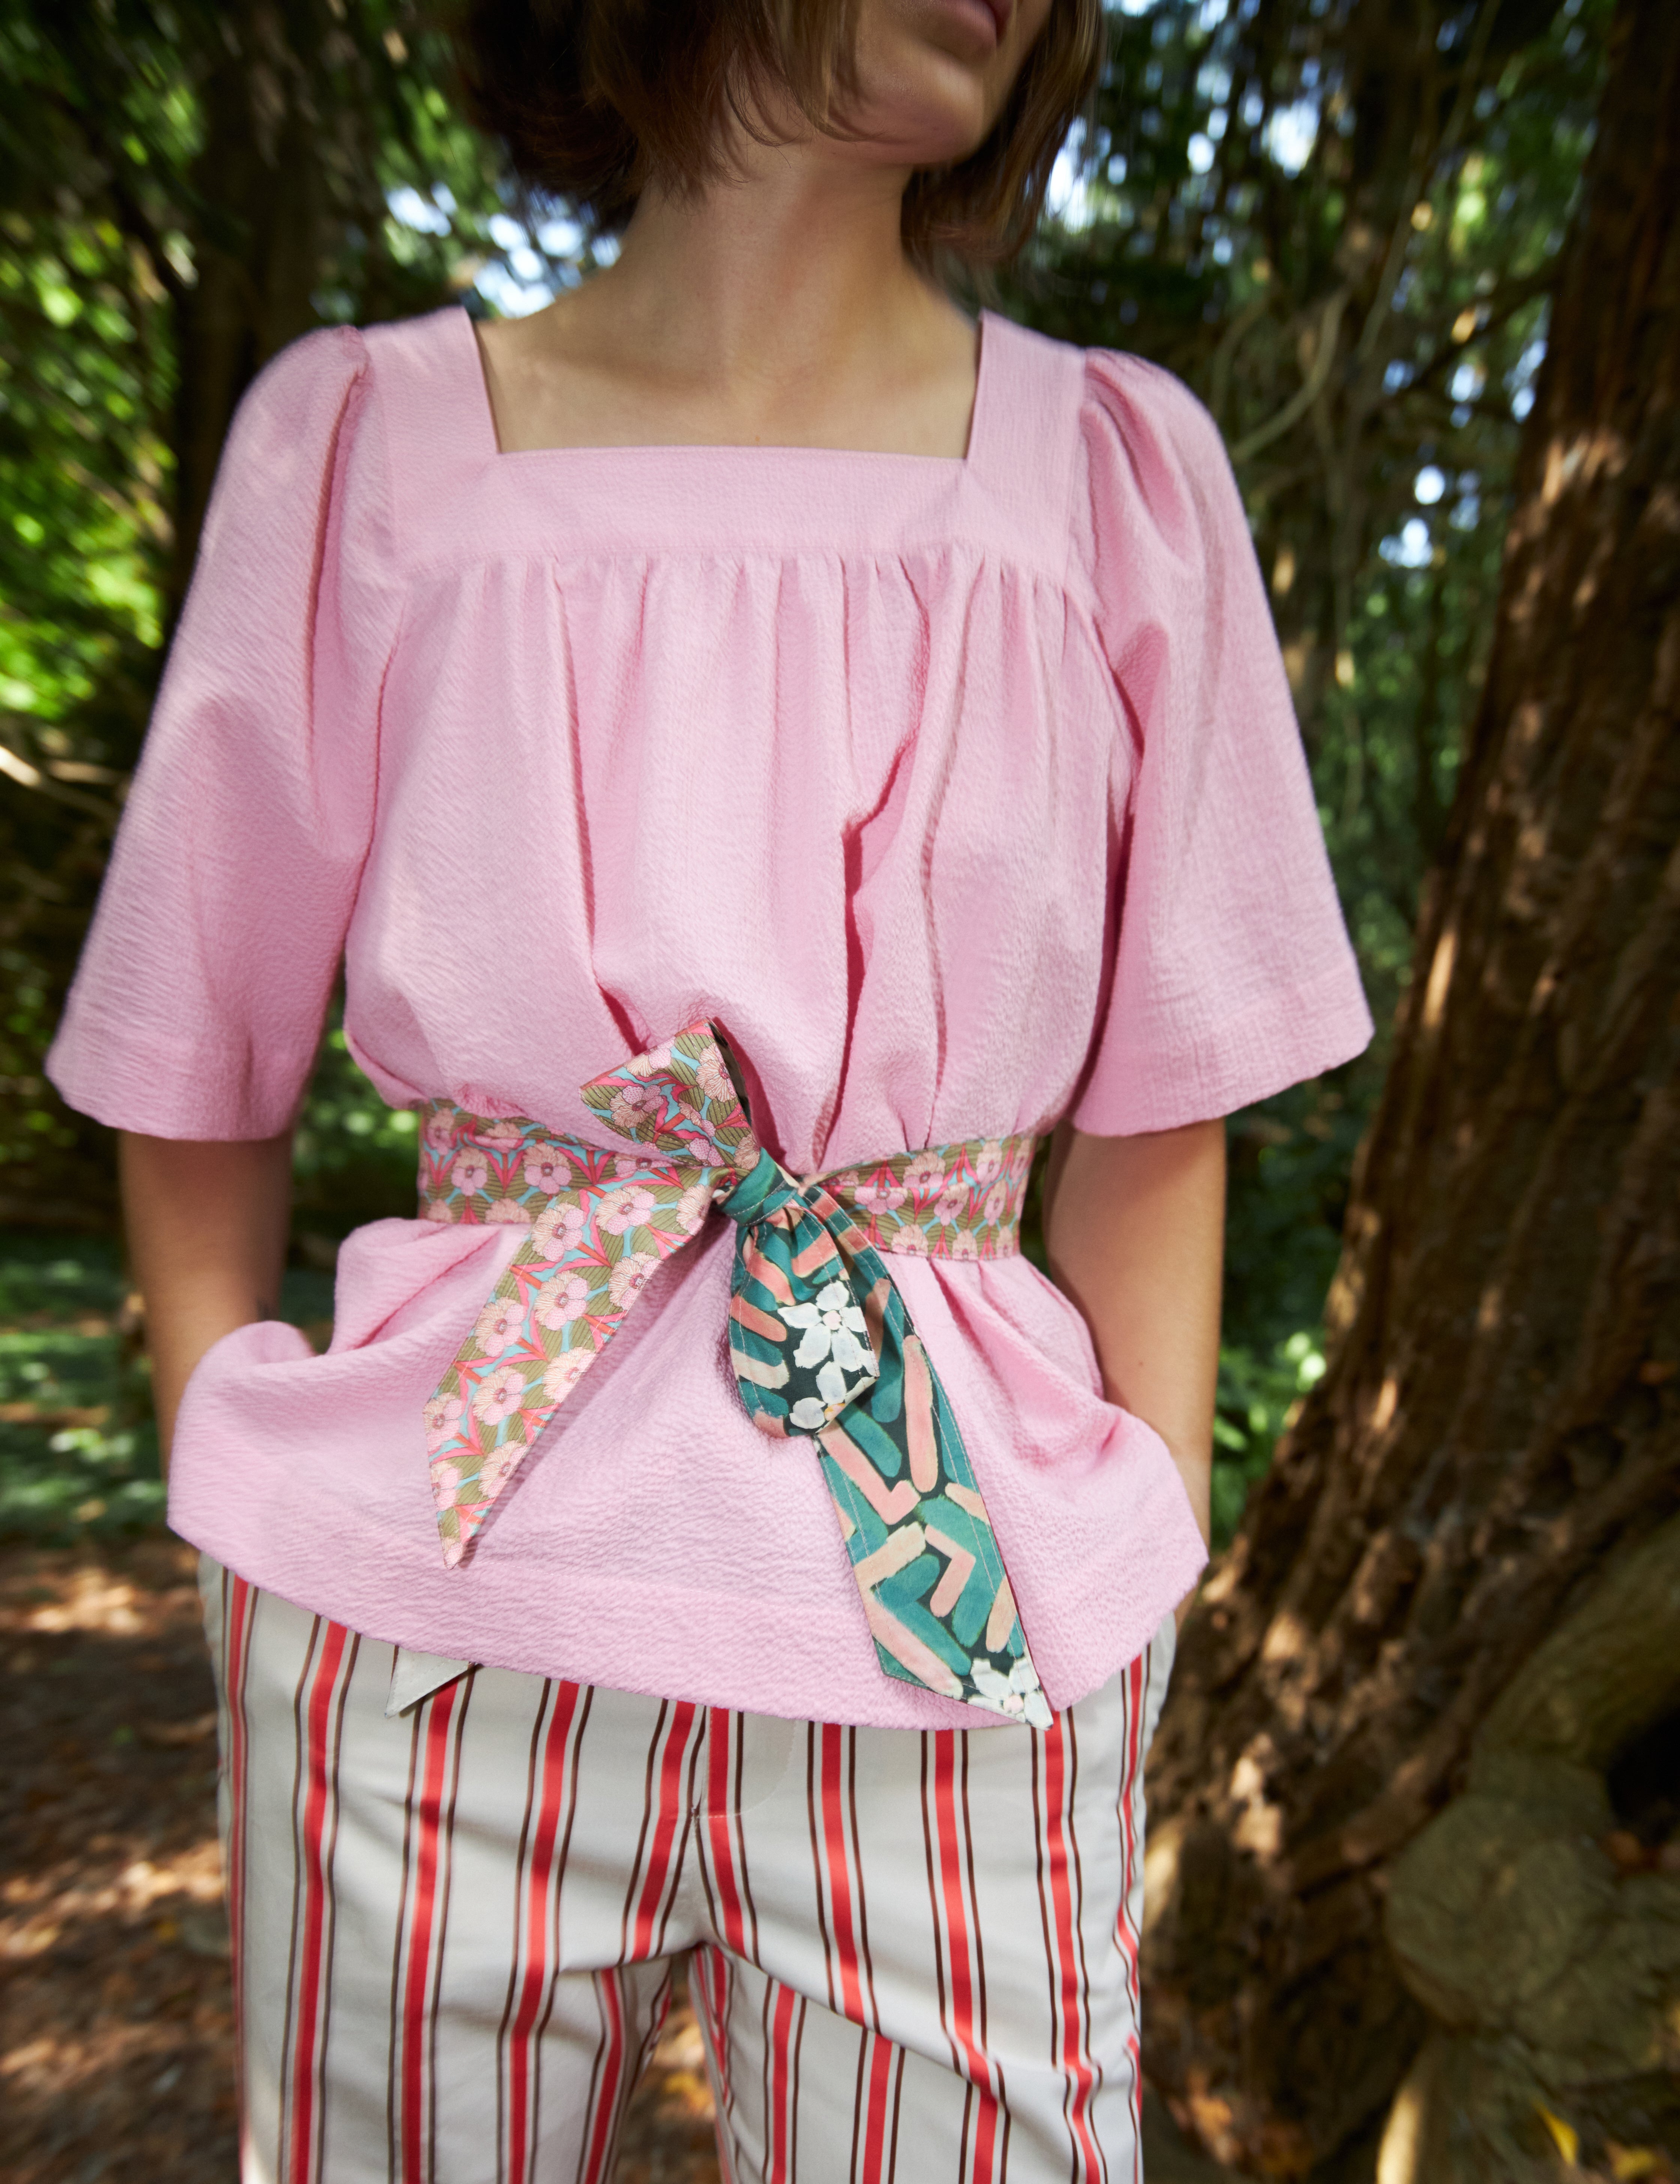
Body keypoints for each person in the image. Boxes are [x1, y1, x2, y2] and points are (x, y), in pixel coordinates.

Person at [47, 1, 1372, 2176]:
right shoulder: (367, 451)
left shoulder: (1118, 483)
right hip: (427, 1605)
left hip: (965, 1638)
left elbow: (1160, 1110)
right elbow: (195, 1038)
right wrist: (240, 1524)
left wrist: (1146, 1566)